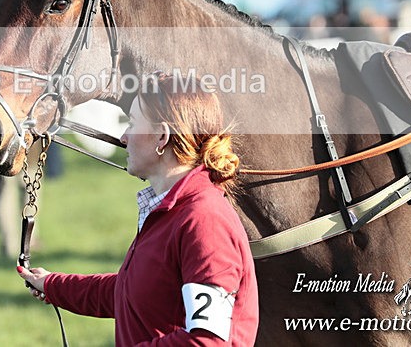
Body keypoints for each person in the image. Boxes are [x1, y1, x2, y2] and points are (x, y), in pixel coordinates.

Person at [17, 73, 259, 345]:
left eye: (132, 123)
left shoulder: (204, 221)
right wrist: (53, 285)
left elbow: (208, 342)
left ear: (161, 137)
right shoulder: (172, 210)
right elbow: (132, 292)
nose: (123, 137)